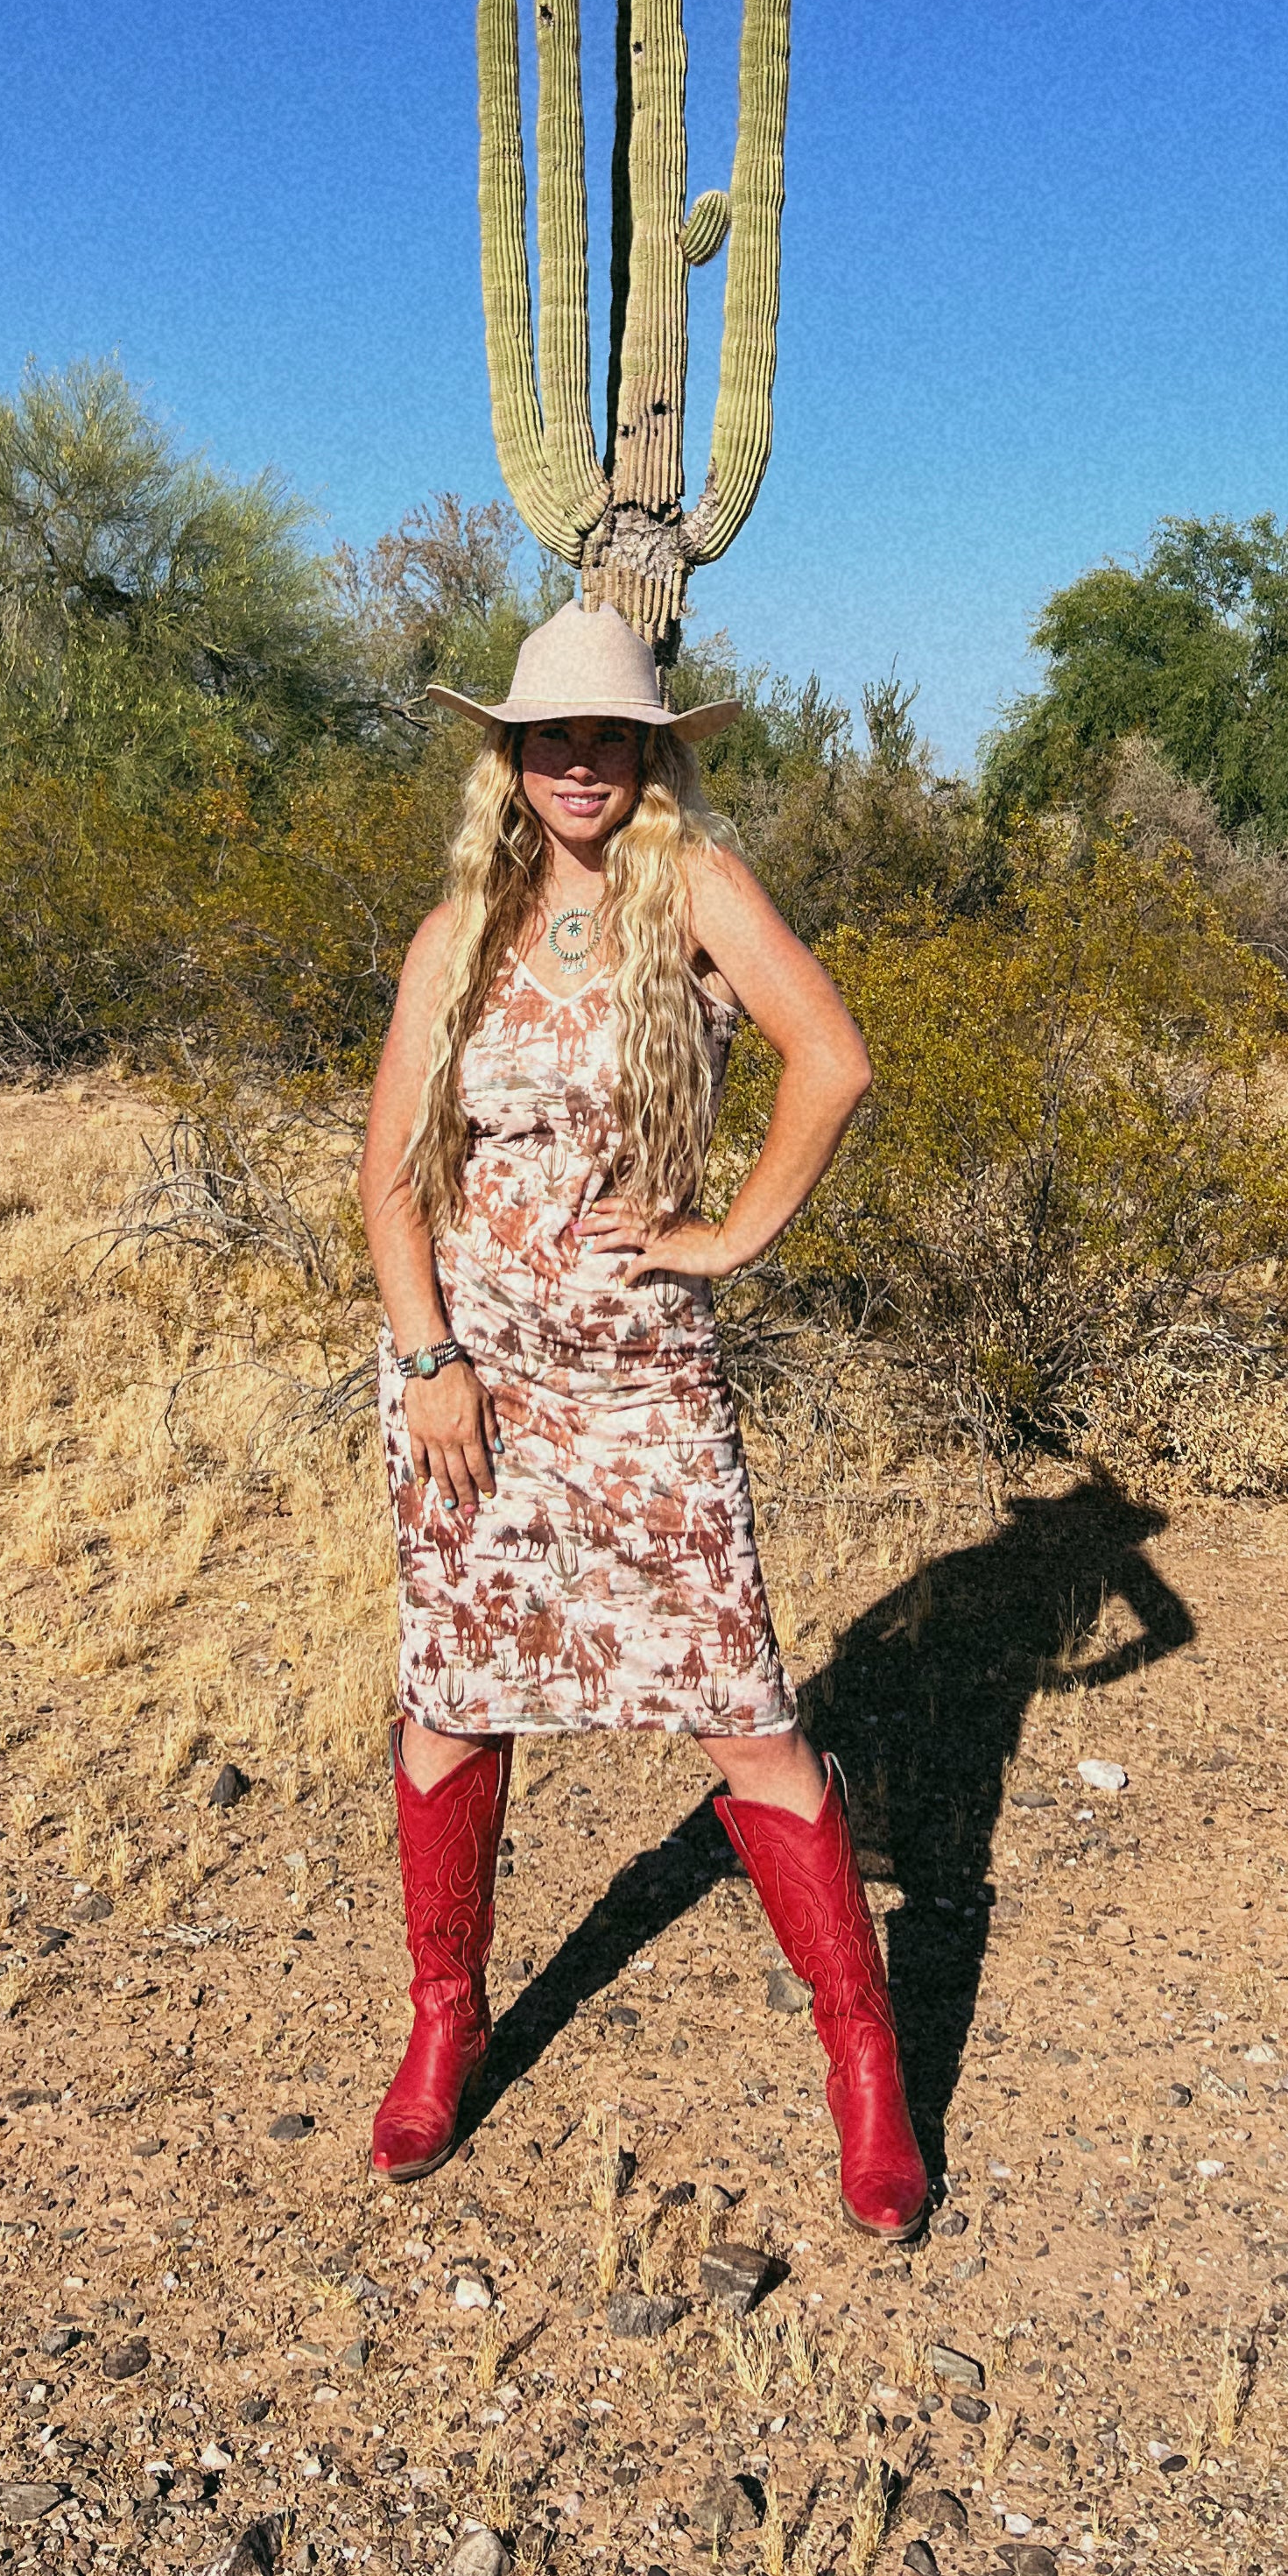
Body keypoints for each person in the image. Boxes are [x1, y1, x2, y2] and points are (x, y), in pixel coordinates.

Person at [354, 597, 927, 2239]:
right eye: (552, 741)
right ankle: (445, 2022)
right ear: (514, 759)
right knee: (457, 1701)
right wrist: (427, 1359)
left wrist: (731, 1232)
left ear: (649, 754)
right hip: (476, 1389)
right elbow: (393, 1170)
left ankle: (862, 2059)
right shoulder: (463, 923)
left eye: (609, 739)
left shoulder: (701, 897)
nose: (579, 767)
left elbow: (833, 1057)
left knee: (743, 1709)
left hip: (642, 1382)